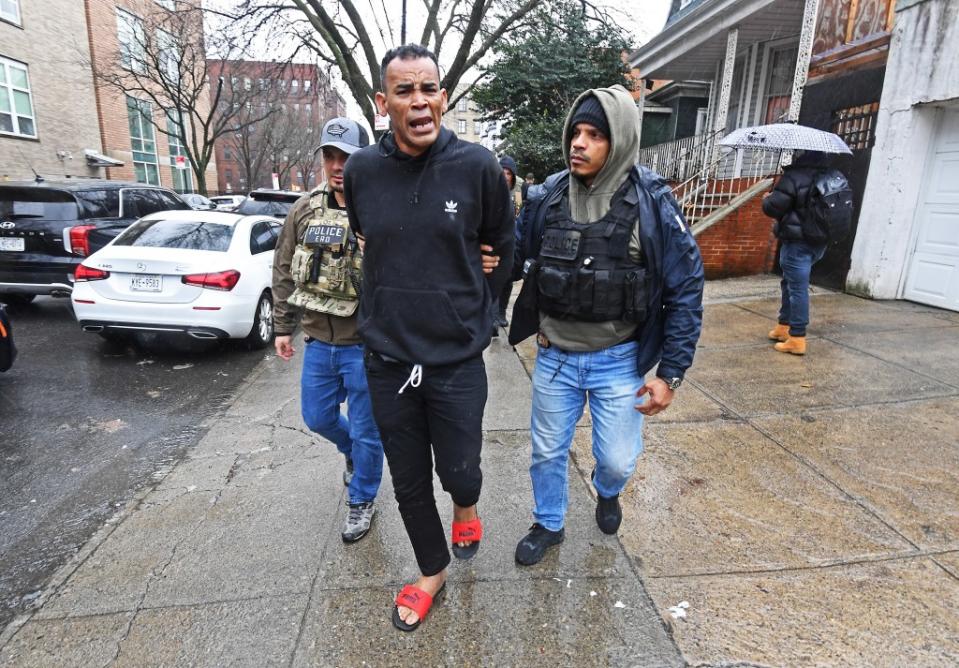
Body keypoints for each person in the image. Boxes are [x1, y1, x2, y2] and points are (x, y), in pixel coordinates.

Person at [343, 44, 514, 632]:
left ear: (442, 95)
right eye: (404, 91)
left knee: (460, 471)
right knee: (409, 478)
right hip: (387, 356)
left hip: (456, 357)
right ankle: (430, 571)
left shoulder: (478, 167)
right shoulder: (361, 171)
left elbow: (503, 242)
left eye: (429, 89)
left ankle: (466, 504)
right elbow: (369, 238)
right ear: (382, 102)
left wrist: (486, 313)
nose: (420, 101)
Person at [506, 85, 704, 566]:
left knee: (616, 459)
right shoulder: (546, 197)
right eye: (576, 132)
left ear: (619, 141)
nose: (579, 142)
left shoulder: (651, 201)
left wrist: (670, 374)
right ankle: (549, 523)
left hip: (618, 359)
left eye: (594, 134)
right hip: (554, 355)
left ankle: (608, 491)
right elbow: (514, 258)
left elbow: (686, 285)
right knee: (546, 452)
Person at [272, 117, 383, 543]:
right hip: (318, 339)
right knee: (317, 417)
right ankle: (351, 451)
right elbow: (284, 267)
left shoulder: (376, 207)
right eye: (330, 156)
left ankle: (362, 499)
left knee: (369, 430)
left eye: (347, 158)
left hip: (364, 345)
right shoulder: (304, 208)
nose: (337, 166)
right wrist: (283, 326)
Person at [762, 150, 833, 355]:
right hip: (819, 242)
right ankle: (783, 326)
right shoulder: (831, 175)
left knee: (798, 288)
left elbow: (774, 207)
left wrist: (767, 198)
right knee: (790, 282)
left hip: (798, 242)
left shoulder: (794, 177)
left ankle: (797, 338)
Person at [493, 154, 523, 328]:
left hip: (511, 243)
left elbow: (517, 215)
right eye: (502, 171)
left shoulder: (517, 193)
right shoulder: (491, 189)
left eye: (508, 172)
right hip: (493, 242)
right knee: (493, 279)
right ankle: (493, 318)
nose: (505, 175)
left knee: (508, 279)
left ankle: (502, 313)